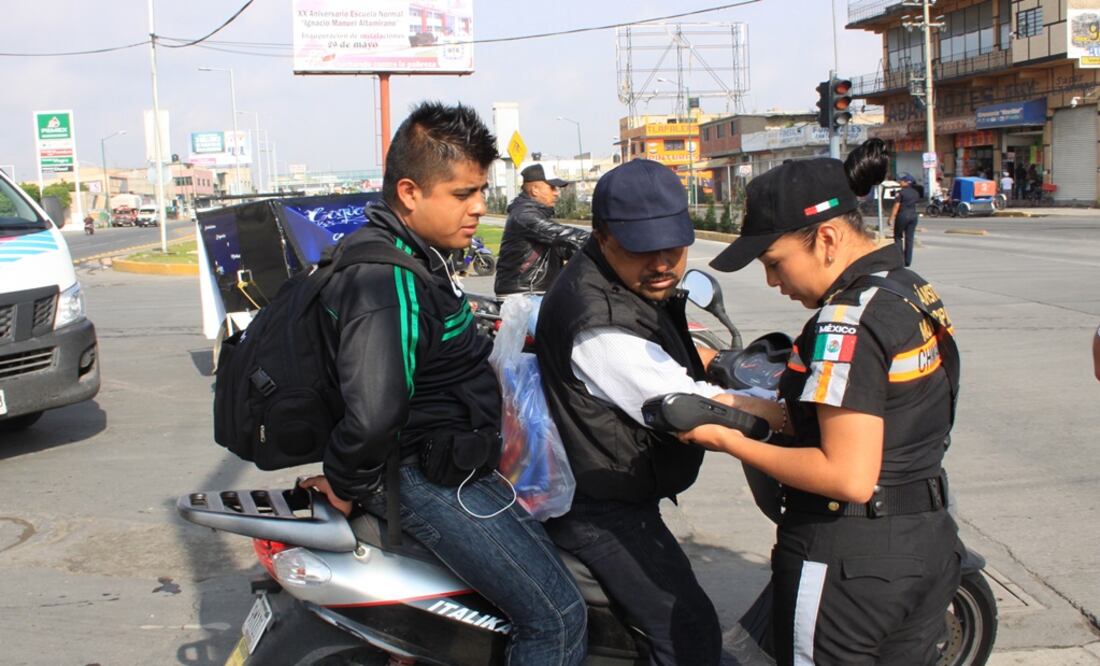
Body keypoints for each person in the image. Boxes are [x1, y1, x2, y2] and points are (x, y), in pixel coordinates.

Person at [300, 101, 587, 666]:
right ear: (410, 192)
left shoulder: (416, 257)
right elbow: (375, 411)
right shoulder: (385, 279)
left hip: (445, 464)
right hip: (422, 478)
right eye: (462, 195)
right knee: (556, 618)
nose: (480, 207)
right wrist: (346, 482)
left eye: (480, 191)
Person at [689, 139, 963, 665]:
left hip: (851, 559)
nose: (772, 281)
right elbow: (885, 414)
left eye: (775, 262)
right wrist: (751, 409)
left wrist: (724, 439)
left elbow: (847, 476)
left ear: (827, 239)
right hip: (926, 543)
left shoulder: (847, 320)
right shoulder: (909, 289)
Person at [536, 159, 723, 666]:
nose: (664, 262)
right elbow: (690, 410)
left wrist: (717, 362)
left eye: (675, 246)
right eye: (644, 248)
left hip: (613, 485)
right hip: (600, 506)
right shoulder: (600, 322)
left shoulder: (619, 284)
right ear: (602, 236)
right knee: (688, 632)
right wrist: (776, 418)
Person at [494, 163, 589, 295]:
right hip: (524, 296)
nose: (556, 193)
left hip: (539, 291)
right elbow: (562, 234)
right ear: (535, 190)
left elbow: (564, 246)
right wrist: (601, 238)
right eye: (552, 187)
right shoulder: (524, 215)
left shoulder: (537, 214)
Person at [888, 173, 920, 267]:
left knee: (898, 237)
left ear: (907, 182)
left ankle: (900, 259)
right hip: (913, 216)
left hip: (903, 215)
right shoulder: (916, 193)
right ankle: (907, 261)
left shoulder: (901, 192)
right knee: (909, 238)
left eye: (902, 180)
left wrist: (891, 218)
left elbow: (896, 205)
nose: (900, 182)